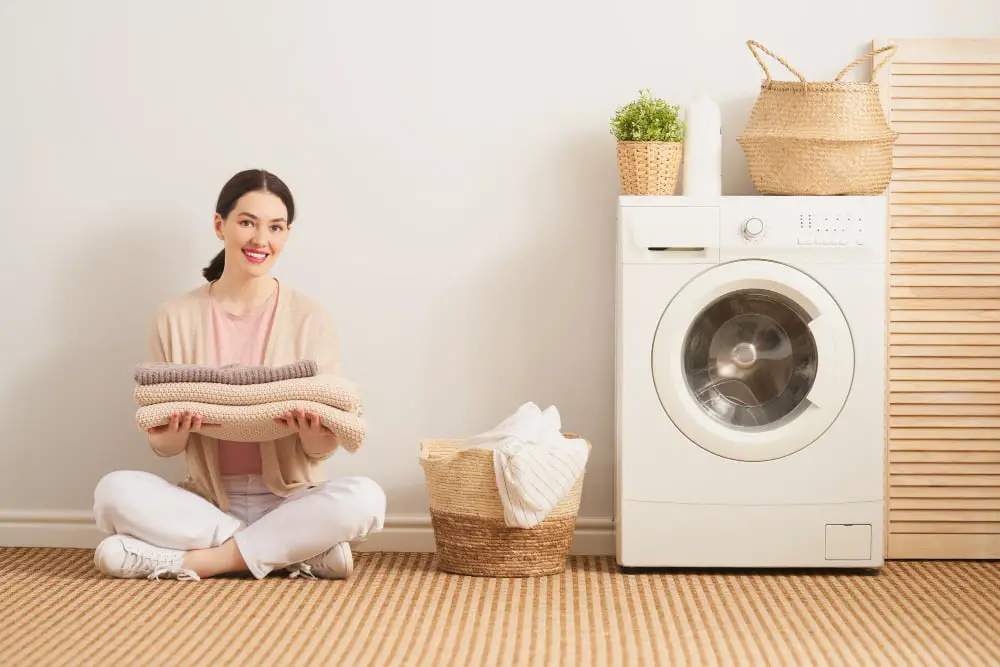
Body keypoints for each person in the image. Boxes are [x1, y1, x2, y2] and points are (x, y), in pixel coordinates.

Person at [92, 169, 386, 581]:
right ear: (220, 225)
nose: (260, 240)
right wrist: (176, 429)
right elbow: (164, 447)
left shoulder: (311, 317)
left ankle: (199, 561)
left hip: (290, 501)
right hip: (207, 504)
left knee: (366, 498)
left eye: (275, 227)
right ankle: (289, 552)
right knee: (112, 491)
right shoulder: (174, 317)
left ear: (286, 235)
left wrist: (308, 429)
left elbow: (321, 449)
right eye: (247, 222)